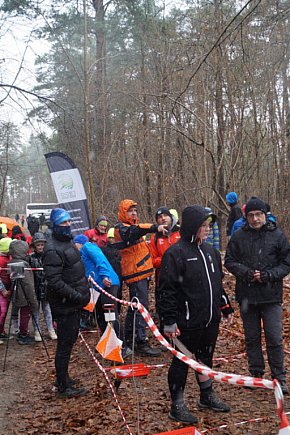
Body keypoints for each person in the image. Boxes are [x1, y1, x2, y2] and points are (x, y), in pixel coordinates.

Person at [158, 205, 233, 424]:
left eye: (209, 226)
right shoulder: (175, 253)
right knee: (182, 362)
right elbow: (166, 291)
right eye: (203, 226)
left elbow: (217, 283)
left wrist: (225, 305)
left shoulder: (210, 251)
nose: (208, 229)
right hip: (185, 322)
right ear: (192, 227)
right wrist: (169, 321)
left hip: (209, 320)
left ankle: (206, 395)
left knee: (205, 358)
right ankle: (177, 405)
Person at [224, 197, 290, 394]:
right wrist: (246, 273)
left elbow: (286, 263)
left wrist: (269, 275)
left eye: (258, 214)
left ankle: (279, 378)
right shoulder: (238, 237)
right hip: (247, 296)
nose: (255, 219)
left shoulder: (277, 236)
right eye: (251, 215)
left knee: (274, 338)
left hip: (271, 296)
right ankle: (256, 374)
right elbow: (229, 261)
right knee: (252, 338)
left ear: (265, 215)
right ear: (246, 217)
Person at [43, 208, 90, 398]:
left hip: (72, 303)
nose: (68, 225)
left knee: (68, 342)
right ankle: (63, 386)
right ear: (55, 225)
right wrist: (77, 297)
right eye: (63, 223)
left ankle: (64, 378)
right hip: (65, 305)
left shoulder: (67, 241)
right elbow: (54, 282)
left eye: (69, 221)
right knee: (64, 345)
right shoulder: (53, 248)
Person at [114, 199, 168, 357]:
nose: (134, 213)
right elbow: (135, 231)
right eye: (130, 211)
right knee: (141, 308)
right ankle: (141, 341)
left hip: (142, 273)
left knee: (135, 307)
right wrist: (154, 227)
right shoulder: (122, 229)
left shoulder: (132, 228)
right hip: (135, 275)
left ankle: (130, 339)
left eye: (135, 211)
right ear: (124, 212)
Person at [73, 234, 132, 359]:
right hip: (97, 287)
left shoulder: (88, 247)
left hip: (108, 284)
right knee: (100, 316)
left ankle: (122, 347)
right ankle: (108, 345)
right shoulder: (81, 255)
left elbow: (100, 259)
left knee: (110, 315)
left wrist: (105, 275)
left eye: (75, 245)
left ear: (79, 243)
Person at [149, 207, 180, 335]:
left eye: (165, 216)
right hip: (163, 278)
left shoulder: (180, 232)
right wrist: (168, 260)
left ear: (171, 217)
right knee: (164, 307)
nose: (163, 218)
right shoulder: (155, 237)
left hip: (182, 277)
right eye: (159, 217)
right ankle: (165, 338)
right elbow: (153, 260)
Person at [9, 240, 38, 345]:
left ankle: (22, 333)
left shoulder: (12, 262)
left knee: (21, 313)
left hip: (17, 293)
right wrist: (32, 299)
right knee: (25, 314)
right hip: (24, 294)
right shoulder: (22, 264)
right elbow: (27, 284)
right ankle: (23, 334)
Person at [29, 232, 57, 342]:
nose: (40, 247)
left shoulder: (48, 256)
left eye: (42, 245)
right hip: (35, 287)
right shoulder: (30, 258)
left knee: (47, 310)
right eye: (38, 245)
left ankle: (51, 329)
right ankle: (37, 331)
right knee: (35, 310)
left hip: (46, 287)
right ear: (34, 246)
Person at [0, 237, 12, 343]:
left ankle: (1, 331)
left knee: (5, 312)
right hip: (2, 291)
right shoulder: (1, 260)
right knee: (2, 312)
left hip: (7, 290)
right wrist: (3, 290)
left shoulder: (9, 258)